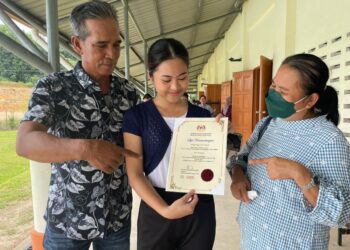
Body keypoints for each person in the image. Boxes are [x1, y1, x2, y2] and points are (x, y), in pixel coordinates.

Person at [16, 1, 140, 249]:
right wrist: (86, 149)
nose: (112, 54)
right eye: (101, 45)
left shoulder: (127, 92)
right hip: (68, 220)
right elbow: (25, 142)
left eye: (116, 45)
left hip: (117, 218)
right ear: (77, 44)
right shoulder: (53, 87)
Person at [227, 53, 350, 249]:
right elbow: (242, 159)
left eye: (283, 92)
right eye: (274, 85)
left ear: (310, 100)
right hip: (252, 237)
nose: (273, 94)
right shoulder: (267, 124)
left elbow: (344, 215)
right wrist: (238, 176)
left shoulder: (329, 140)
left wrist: (299, 174)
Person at [123, 38, 216, 250]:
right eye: (166, 80)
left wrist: (217, 136)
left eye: (182, 78)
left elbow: (210, 165)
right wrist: (165, 210)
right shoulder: (137, 117)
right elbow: (135, 173)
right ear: (151, 76)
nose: (175, 87)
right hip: (157, 205)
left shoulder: (202, 115)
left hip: (198, 207)